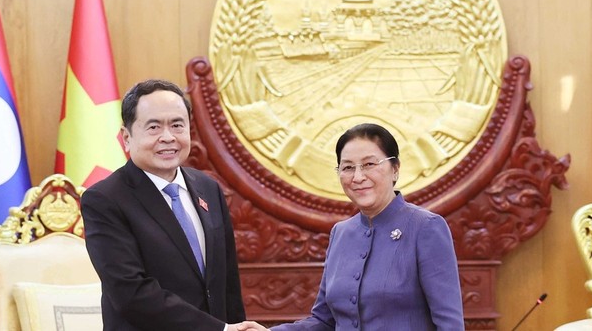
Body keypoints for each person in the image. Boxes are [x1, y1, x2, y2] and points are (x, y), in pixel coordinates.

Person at [239, 123, 465, 331]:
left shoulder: (425, 228)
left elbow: (449, 324)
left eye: (369, 164)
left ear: (395, 169)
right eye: (347, 167)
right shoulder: (341, 233)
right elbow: (324, 321)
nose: (358, 177)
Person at [81, 79, 246, 331]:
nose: (168, 137)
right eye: (154, 127)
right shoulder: (105, 200)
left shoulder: (208, 188)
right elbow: (132, 294)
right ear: (126, 137)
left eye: (177, 125)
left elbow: (227, 283)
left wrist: (236, 327)